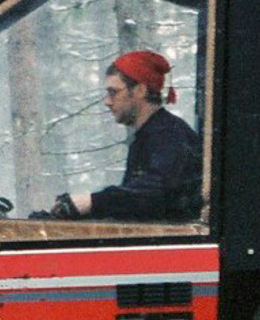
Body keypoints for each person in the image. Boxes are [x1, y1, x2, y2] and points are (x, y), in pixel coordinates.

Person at [46, 49, 200, 221]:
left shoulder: (170, 135)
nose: (107, 101)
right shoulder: (151, 135)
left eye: (113, 92)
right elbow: (134, 206)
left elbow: (153, 194)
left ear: (140, 90)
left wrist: (91, 202)